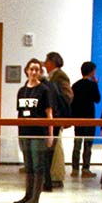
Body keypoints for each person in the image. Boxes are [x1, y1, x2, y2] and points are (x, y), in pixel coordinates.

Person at [14, 59, 57, 203]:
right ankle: (28, 194)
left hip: (39, 132)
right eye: (31, 69)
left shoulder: (44, 90)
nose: (33, 72)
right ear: (26, 71)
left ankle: (35, 197)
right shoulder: (21, 91)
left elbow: (49, 113)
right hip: (25, 131)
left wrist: (50, 134)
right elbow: (19, 113)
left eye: (37, 70)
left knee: (38, 164)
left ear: (40, 72)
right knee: (29, 165)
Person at [45, 52, 74, 186]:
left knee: (56, 148)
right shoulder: (52, 77)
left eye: (47, 61)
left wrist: (57, 109)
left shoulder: (60, 76)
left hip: (57, 116)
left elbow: (67, 95)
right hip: (55, 116)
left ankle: (56, 176)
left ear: (52, 62)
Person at [70, 61, 102, 178]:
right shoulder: (92, 85)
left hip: (78, 118)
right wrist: (96, 84)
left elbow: (72, 103)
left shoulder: (75, 85)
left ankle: (74, 169)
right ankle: (85, 169)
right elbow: (97, 99)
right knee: (88, 145)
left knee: (77, 144)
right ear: (92, 71)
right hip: (89, 118)